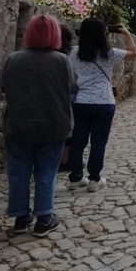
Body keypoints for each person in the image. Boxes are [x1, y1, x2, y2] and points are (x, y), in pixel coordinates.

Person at [0, 14, 75, 237]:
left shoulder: (13, 59)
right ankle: (44, 218)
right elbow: (73, 87)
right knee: (46, 172)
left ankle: (21, 217)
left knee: (18, 172)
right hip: (53, 125)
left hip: (18, 125)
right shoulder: (62, 61)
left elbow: (2, 86)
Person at [67, 18, 136, 192]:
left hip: (80, 102)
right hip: (103, 103)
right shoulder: (108, 53)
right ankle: (94, 179)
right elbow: (133, 52)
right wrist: (126, 33)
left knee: (78, 141)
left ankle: (75, 178)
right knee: (98, 142)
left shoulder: (73, 53)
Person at [57, 24, 76, 172]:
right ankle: (66, 159)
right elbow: (73, 82)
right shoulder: (69, 55)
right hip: (66, 99)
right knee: (69, 131)